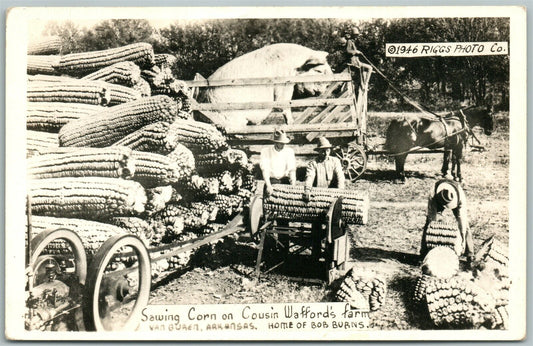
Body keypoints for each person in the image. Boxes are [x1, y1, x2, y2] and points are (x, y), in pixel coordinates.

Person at [303, 137, 346, 261]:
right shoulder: (313, 163)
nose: (325, 152)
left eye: (327, 150)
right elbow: (309, 177)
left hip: (332, 198)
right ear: (318, 151)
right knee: (316, 228)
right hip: (318, 199)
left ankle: (331, 257)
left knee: (333, 230)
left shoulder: (335, 161)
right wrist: (307, 189)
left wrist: (339, 191)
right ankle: (315, 256)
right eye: (322, 150)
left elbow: (340, 177)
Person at [421, 179, 474, 262]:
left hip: (455, 199)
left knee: (465, 225)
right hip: (437, 201)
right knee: (428, 224)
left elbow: (462, 220)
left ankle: (470, 253)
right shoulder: (433, 195)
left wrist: (463, 239)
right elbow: (431, 218)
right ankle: (424, 252)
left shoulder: (460, 197)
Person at [259, 129, 296, 197]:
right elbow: (265, 170)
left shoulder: (289, 152)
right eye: (280, 143)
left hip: (285, 181)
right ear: (275, 142)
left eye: (284, 143)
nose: (283, 144)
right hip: (272, 181)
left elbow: (292, 170)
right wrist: (268, 185)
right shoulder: (266, 152)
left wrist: (293, 186)